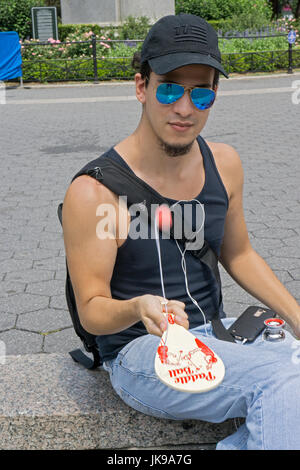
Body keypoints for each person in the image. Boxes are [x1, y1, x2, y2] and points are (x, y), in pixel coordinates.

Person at [62, 14, 300, 450]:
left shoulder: (224, 163)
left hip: (219, 333)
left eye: (202, 92)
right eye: (170, 87)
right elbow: (92, 310)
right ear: (142, 87)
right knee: (282, 382)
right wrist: (138, 306)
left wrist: (298, 317)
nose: (185, 108)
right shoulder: (94, 191)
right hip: (140, 352)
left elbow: (240, 254)